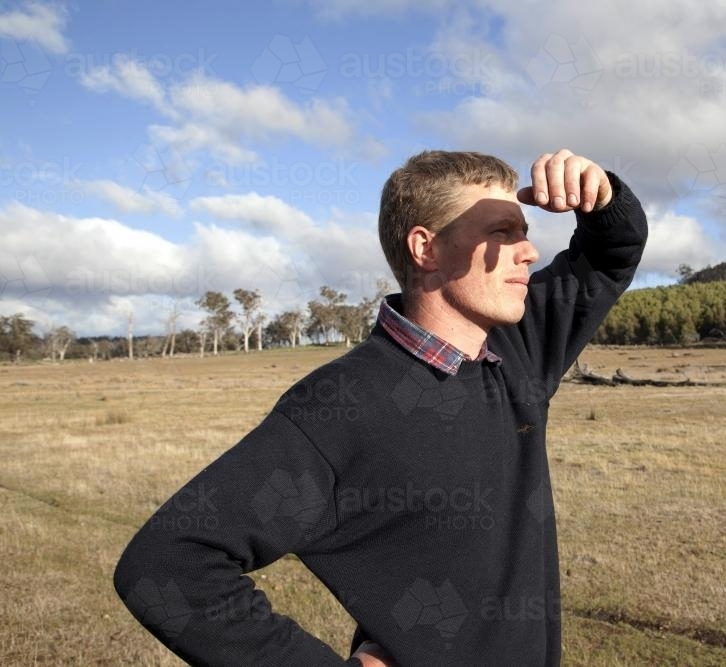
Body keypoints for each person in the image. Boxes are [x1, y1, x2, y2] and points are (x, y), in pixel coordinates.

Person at [114, 148, 648, 666]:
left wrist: (599, 196)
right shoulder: (340, 405)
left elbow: (611, 253)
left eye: (524, 233)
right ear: (426, 249)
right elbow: (168, 563)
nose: (528, 252)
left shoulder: (518, 351)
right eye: (500, 233)